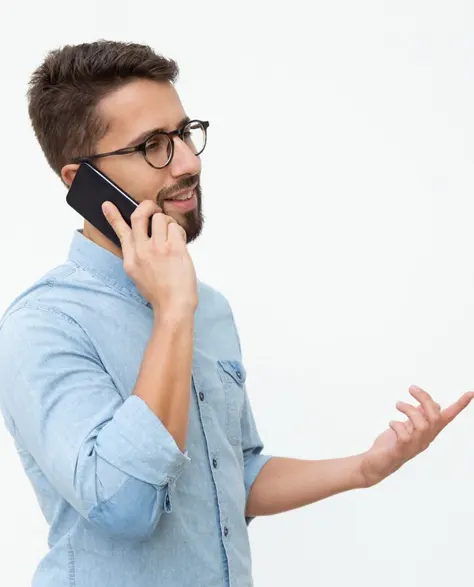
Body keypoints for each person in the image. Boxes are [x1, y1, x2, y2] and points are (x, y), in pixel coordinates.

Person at [0, 40, 471, 587]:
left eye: (183, 134)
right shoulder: (44, 325)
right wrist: (173, 312)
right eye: (153, 145)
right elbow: (125, 505)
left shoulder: (209, 307)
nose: (189, 162)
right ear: (79, 181)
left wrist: (364, 468)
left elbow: (231, 477)